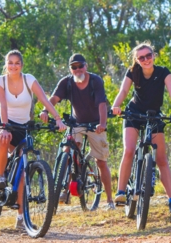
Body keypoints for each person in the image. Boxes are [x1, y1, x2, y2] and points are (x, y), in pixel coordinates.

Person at [0, 50, 66, 230]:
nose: (13, 66)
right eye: (10, 62)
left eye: (17, 63)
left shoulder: (29, 80)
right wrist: (5, 127)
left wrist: (57, 118)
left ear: (22, 65)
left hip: (24, 127)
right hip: (2, 122)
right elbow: (3, 106)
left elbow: (44, 100)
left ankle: (20, 218)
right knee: (3, 137)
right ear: (6, 64)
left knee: (23, 171)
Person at [111, 42, 171, 212]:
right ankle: (121, 192)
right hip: (134, 113)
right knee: (129, 150)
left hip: (153, 115)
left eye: (148, 55)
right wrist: (116, 105)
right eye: (141, 57)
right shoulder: (133, 72)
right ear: (137, 60)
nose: (146, 59)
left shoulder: (163, 72)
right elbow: (124, 91)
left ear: (154, 55)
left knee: (161, 159)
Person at [39, 53, 115, 210]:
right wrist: (45, 110)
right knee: (68, 151)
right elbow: (54, 99)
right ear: (70, 69)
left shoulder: (95, 81)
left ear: (86, 66)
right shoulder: (66, 82)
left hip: (95, 124)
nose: (78, 69)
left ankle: (109, 201)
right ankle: (64, 189)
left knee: (101, 162)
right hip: (77, 123)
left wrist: (102, 123)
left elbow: (102, 104)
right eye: (74, 67)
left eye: (80, 66)